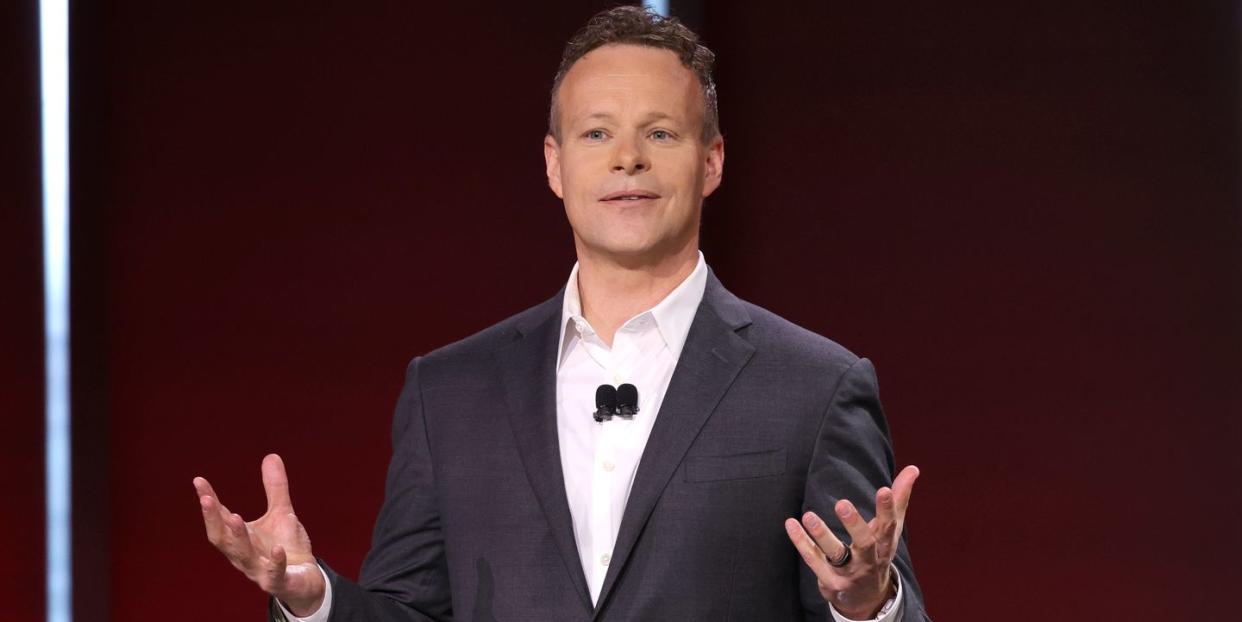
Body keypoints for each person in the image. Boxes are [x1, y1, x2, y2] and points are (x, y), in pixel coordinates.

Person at [194, 7, 928, 621]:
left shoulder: (813, 386)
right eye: (597, 133)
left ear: (712, 162)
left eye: (661, 133)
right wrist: (312, 596)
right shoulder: (450, 391)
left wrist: (865, 604)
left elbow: (872, 591)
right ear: (554, 164)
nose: (628, 159)